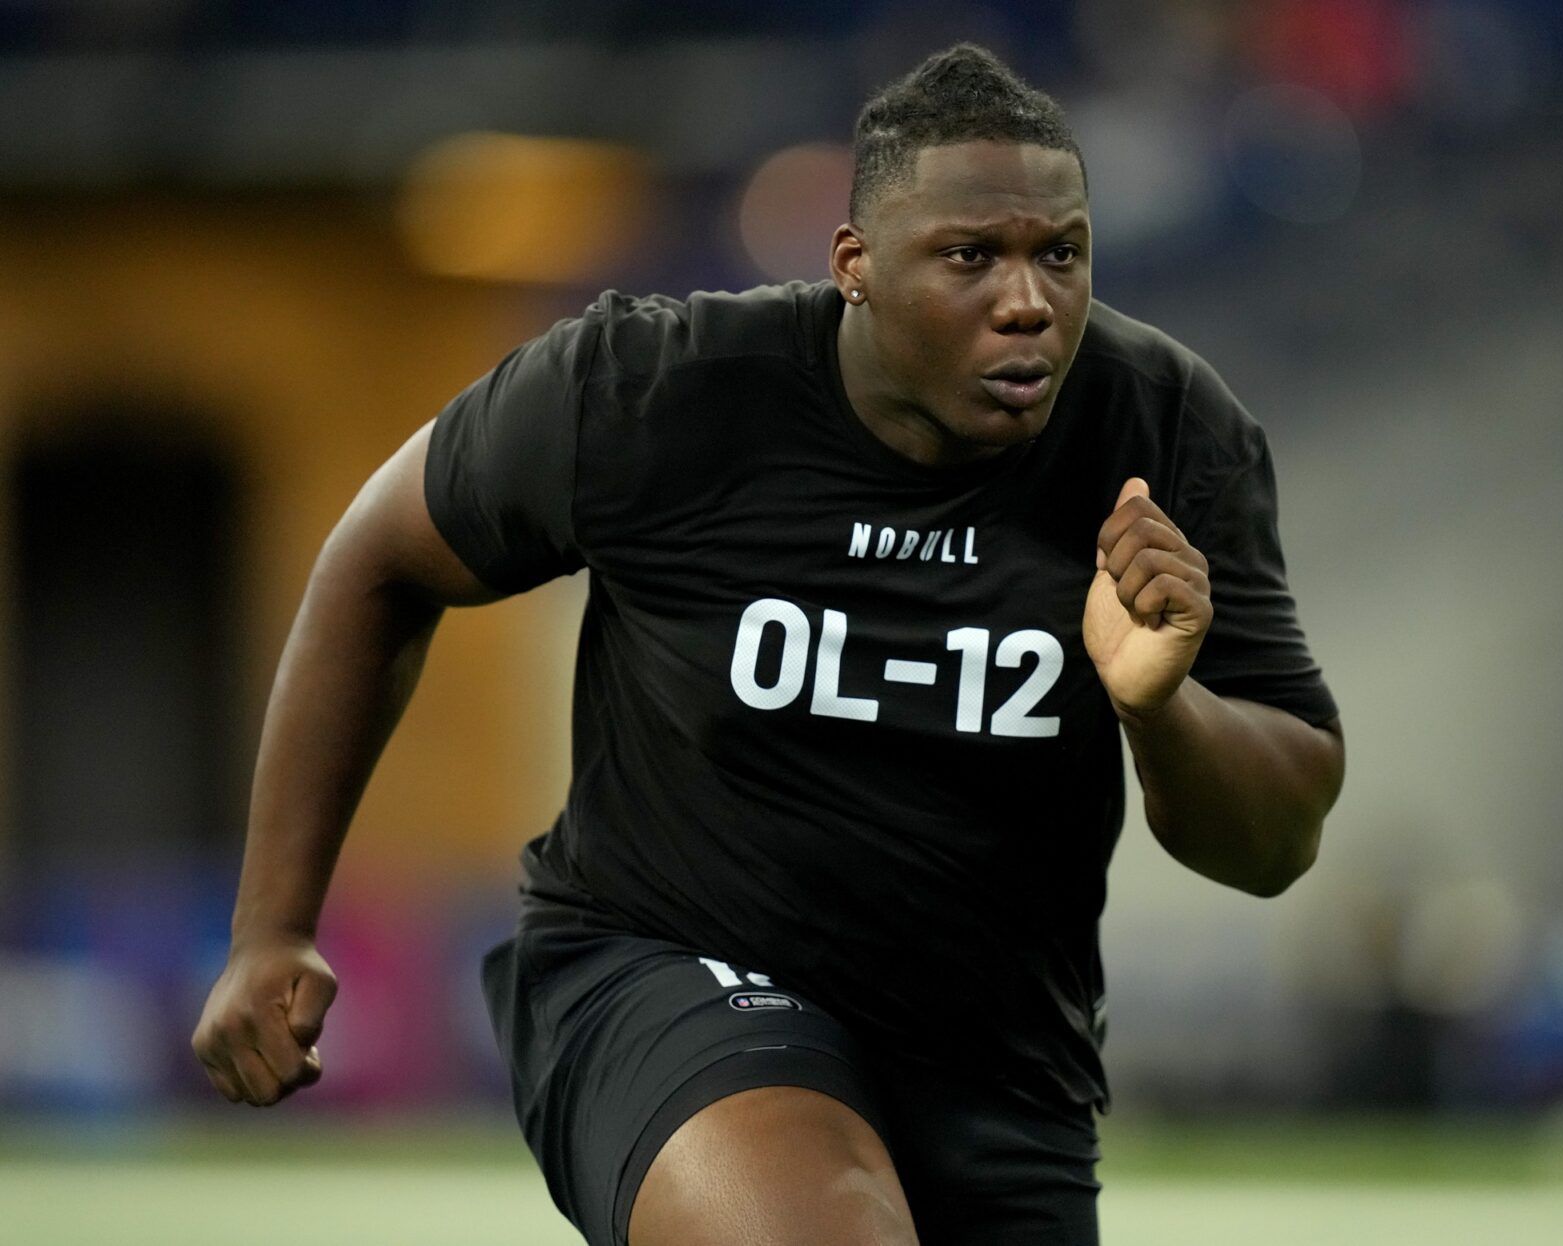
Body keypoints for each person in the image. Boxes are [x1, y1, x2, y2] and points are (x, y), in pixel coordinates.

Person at [191, 42, 1344, 1246]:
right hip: (665, 972)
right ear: (854, 265)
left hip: (995, 1055)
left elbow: (1277, 843)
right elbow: (376, 559)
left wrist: (1163, 708)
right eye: (971, 256)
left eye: (1060, 253)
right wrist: (273, 923)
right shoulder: (656, 391)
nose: (1028, 300)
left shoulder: (1165, 428)